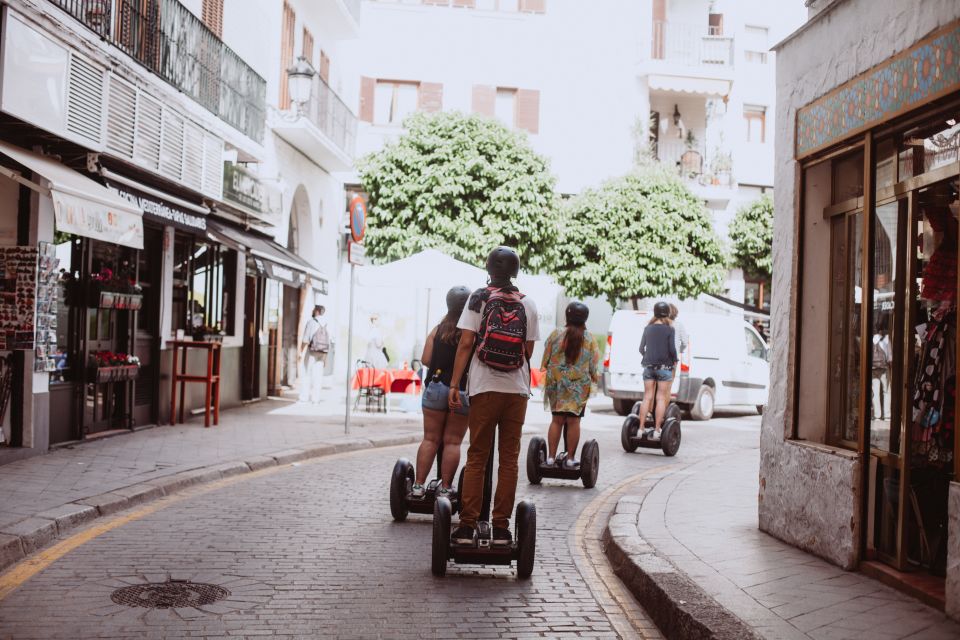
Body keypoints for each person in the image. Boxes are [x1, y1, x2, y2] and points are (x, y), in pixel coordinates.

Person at [448, 246, 540, 548]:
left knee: (477, 457)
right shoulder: (528, 304)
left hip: (484, 387)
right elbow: (527, 352)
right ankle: (501, 528)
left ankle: (467, 525)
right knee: (509, 460)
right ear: (515, 272)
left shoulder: (478, 299)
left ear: (489, 269)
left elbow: (465, 344)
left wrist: (453, 384)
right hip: (516, 391)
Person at [411, 286, 473, 498]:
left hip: (436, 387)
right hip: (462, 390)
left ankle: (418, 486)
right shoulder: (471, 333)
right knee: (453, 441)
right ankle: (446, 487)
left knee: (430, 439)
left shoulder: (438, 330)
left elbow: (426, 359)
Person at [540, 301, 599, 468]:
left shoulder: (556, 334)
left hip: (557, 384)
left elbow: (545, 361)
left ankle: (551, 458)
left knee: (556, 420)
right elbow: (594, 367)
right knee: (574, 422)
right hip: (578, 387)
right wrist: (594, 377)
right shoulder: (589, 338)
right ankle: (570, 458)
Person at [636, 301, 678, 439]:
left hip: (648, 367)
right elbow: (672, 349)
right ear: (667, 313)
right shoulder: (670, 329)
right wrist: (674, 360)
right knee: (660, 398)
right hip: (664, 368)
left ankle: (640, 429)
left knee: (647, 397)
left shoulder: (647, 328)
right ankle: (657, 430)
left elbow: (641, 349)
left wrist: (649, 357)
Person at [298, 305, 330, 403]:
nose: (312, 311)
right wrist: (326, 358)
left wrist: (300, 351)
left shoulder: (311, 322)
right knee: (318, 376)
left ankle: (304, 398)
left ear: (317, 311)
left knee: (306, 374)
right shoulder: (327, 323)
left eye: (313, 309)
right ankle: (315, 399)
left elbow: (305, 339)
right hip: (323, 352)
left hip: (312, 351)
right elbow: (329, 341)